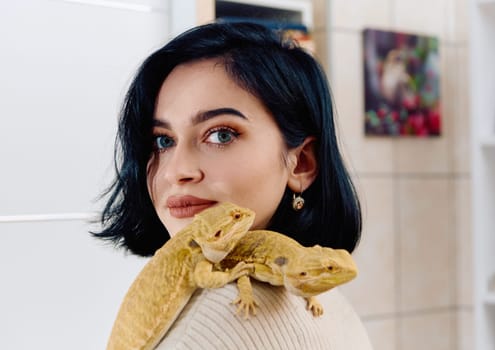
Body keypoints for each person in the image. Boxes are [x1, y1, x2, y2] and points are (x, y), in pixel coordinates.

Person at [94, 21, 372, 349]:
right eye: (163, 141)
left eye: (221, 134)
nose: (176, 172)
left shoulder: (221, 320)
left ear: (302, 163)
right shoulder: (325, 298)